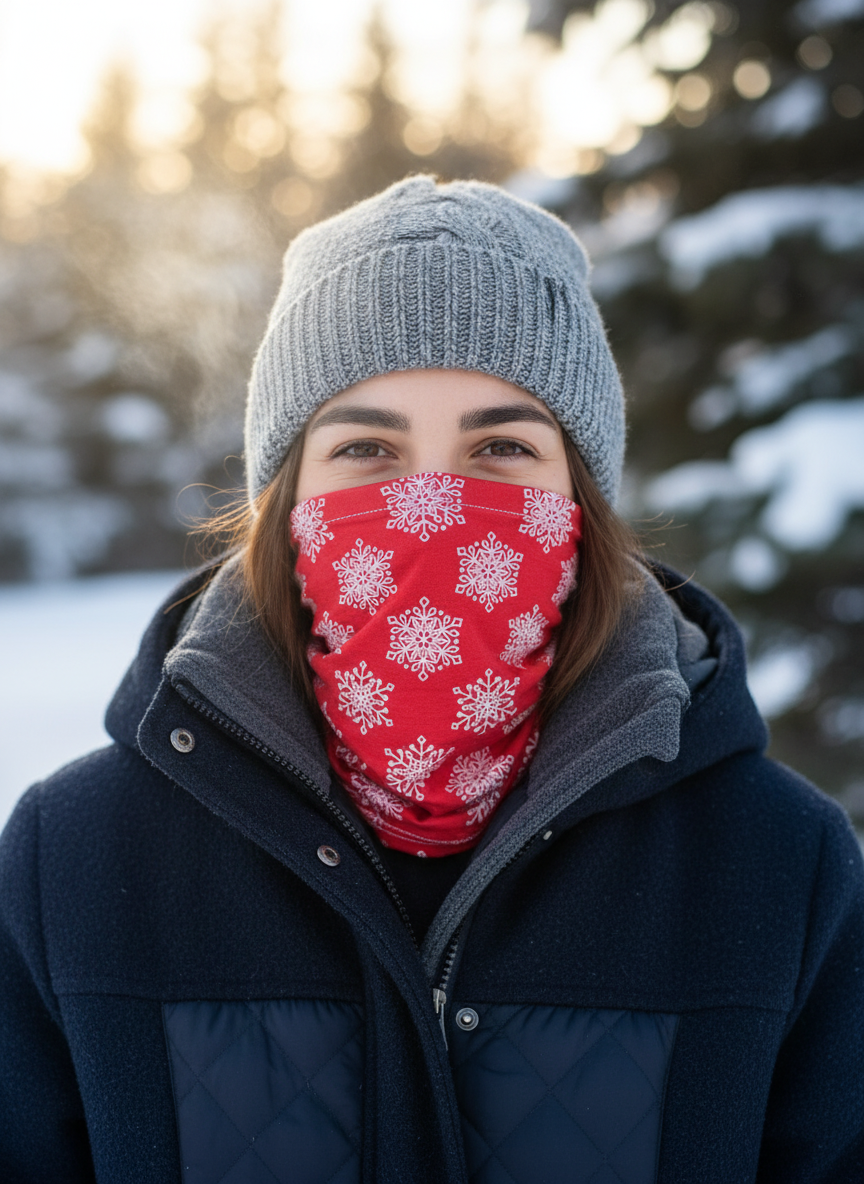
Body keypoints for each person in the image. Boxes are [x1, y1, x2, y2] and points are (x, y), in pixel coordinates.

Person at [1, 176, 862, 1184]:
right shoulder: (76, 866)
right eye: (367, 447)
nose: (434, 505)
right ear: (286, 501)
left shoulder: (776, 867)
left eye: (502, 447)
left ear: (580, 502)